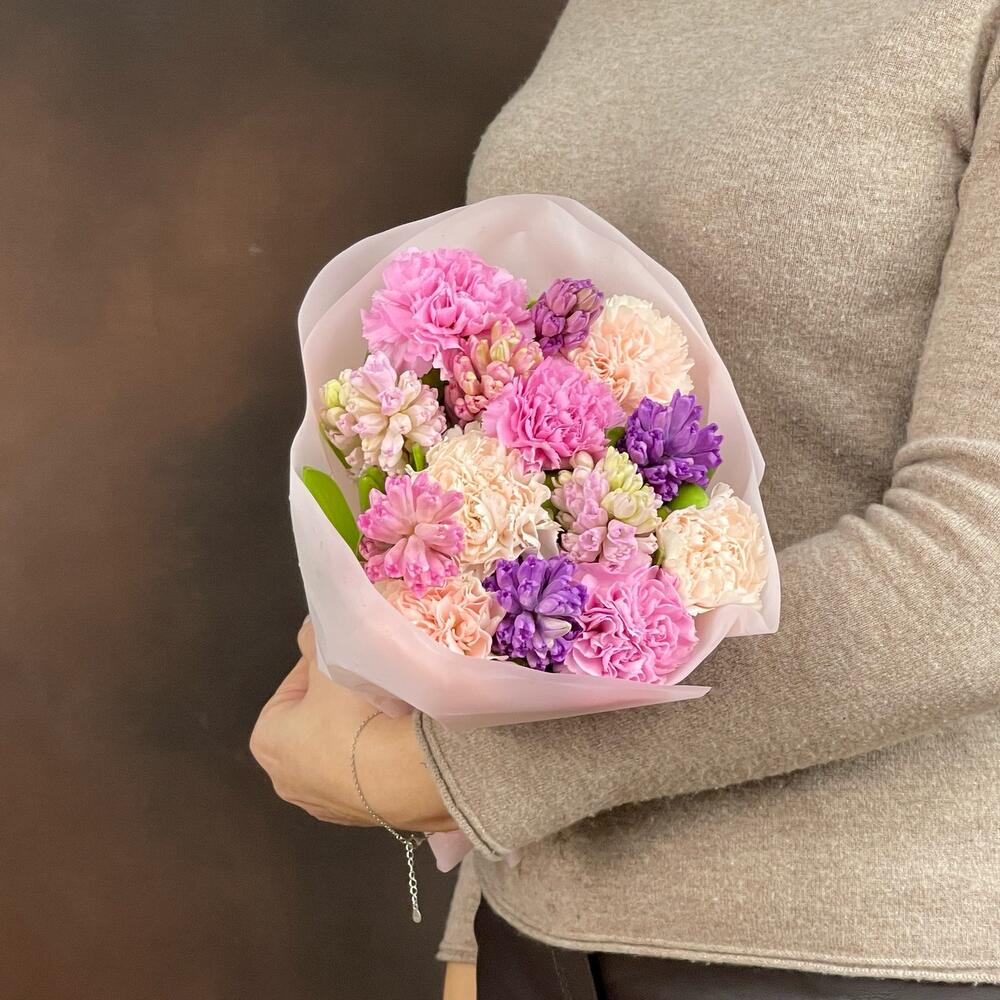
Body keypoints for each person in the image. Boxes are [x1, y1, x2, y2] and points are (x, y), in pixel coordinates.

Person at [251, 1, 1000, 996]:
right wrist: (476, 921)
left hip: (856, 945)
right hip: (539, 928)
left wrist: (456, 774)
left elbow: (979, 567)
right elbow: (526, 458)